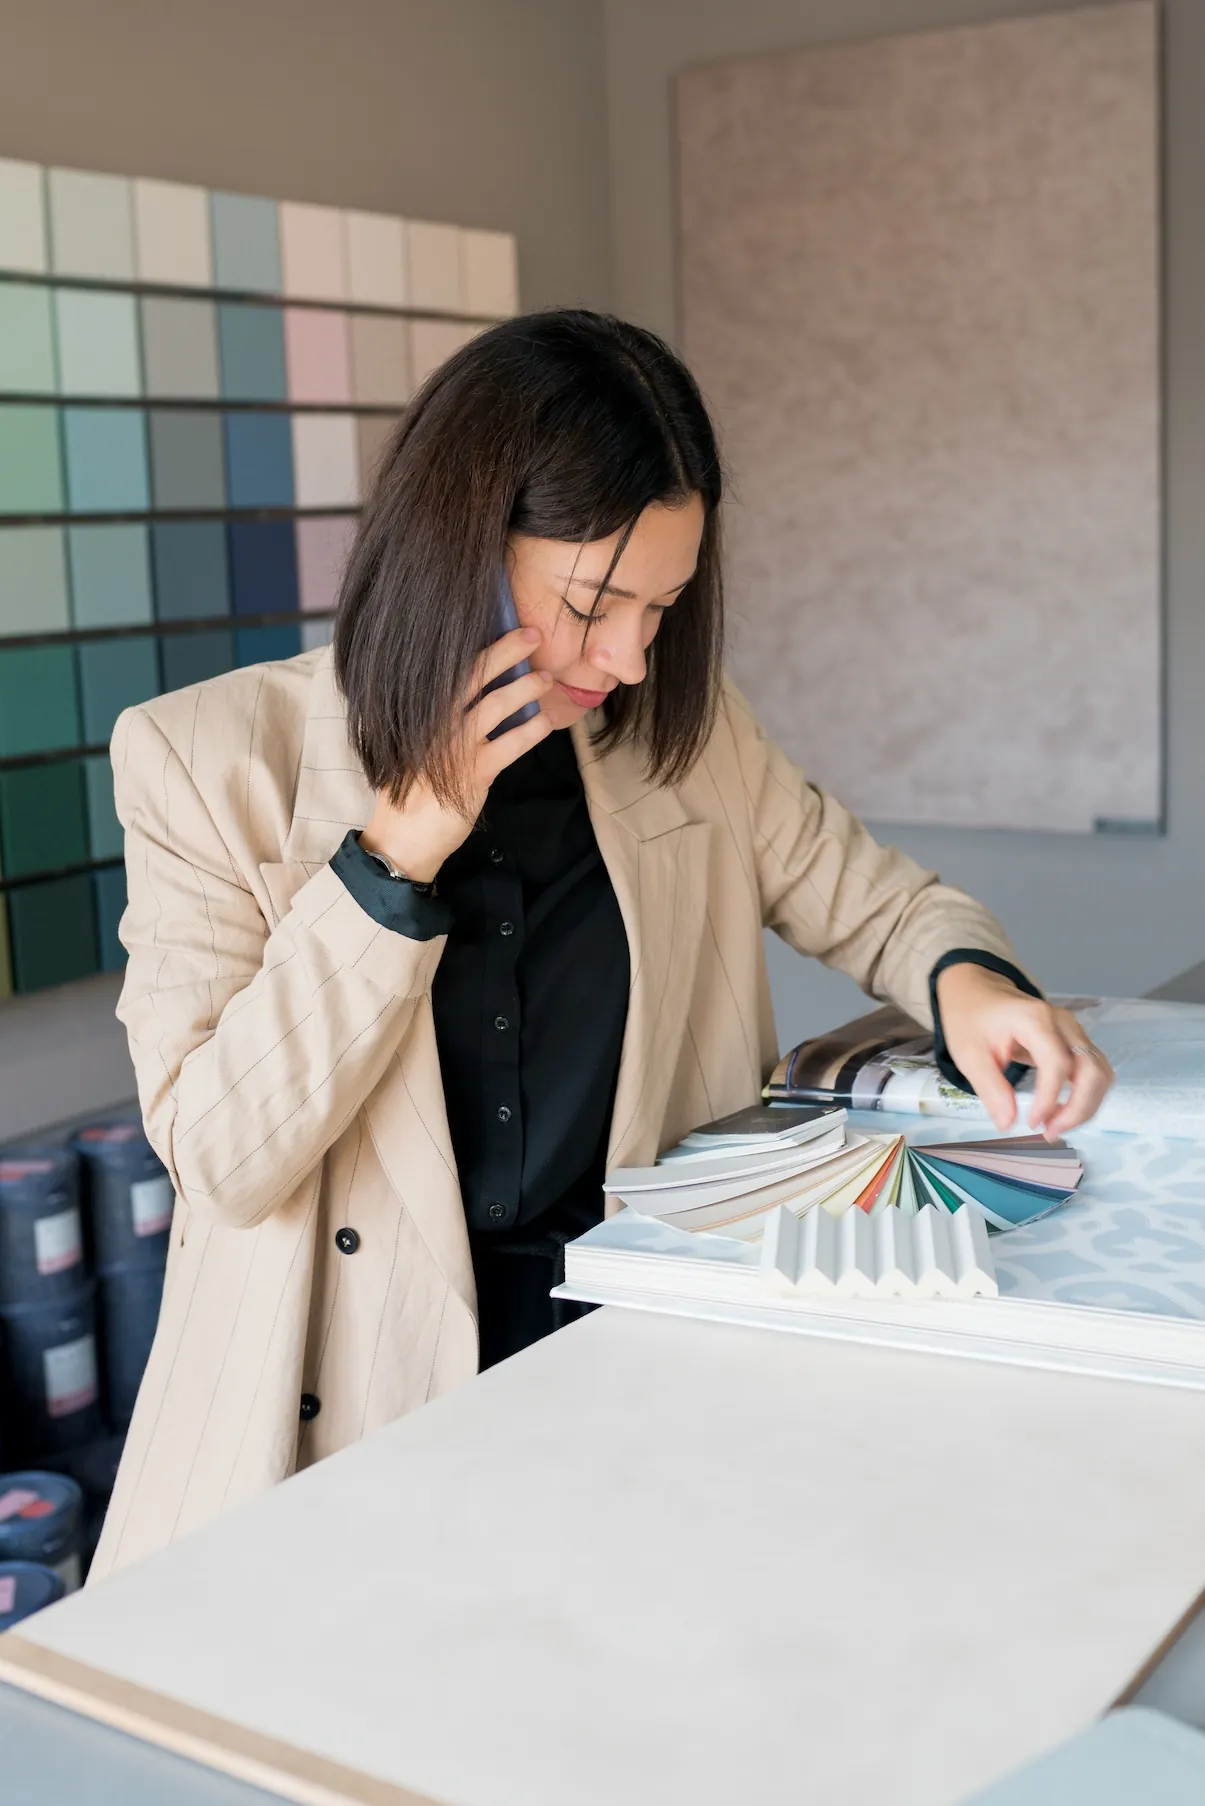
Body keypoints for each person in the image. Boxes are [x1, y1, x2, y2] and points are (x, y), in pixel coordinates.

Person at [90, 310, 1113, 1581]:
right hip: (336, 1415)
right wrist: (394, 854)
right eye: (593, 604)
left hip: (630, 1363)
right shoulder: (202, 759)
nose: (629, 658)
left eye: (662, 608)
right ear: (459, 542)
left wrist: (969, 984)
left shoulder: (684, 735)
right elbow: (222, 1159)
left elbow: (883, 905)